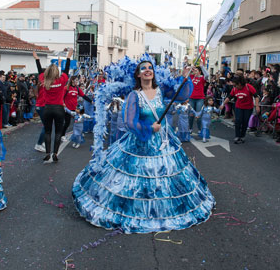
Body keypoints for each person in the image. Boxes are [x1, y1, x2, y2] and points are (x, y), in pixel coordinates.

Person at [72, 60, 215, 233]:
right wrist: (149, 128)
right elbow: (129, 122)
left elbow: (183, 95)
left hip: (164, 143)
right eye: (143, 69)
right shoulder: (134, 95)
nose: (147, 70)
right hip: (140, 143)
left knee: (166, 178)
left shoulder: (161, 91)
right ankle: (139, 212)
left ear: (154, 73)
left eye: (150, 68)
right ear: (138, 74)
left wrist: (185, 78)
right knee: (136, 181)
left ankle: (162, 211)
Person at [39, 48, 73, 163]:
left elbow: (40, 71)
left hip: (47, 108)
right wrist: (68, 57)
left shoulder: (44, 82)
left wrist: (37, 60)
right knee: (58, 132)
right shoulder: (61, 81)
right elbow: (67, 70)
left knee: (48, 131)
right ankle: (55, 153)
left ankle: (47, 152)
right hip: (59, 109)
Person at [224, 75, 260, 144]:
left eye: (236, 85)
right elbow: (229, 97)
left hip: (248, 107)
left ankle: (242, 135)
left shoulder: (248, 87)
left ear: (240, 84)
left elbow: (256, 96)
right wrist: (223, 105)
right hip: (238, 107)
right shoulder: (234, 89)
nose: (235, 87)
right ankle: (237, 136)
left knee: (245, 122)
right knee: (238, 121)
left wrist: (257, 106)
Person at [63, 75, 92, 140]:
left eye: (77, 80)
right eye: (76, 80)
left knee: (78, 121)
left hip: (75, 108)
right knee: (67, 123)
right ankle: (62, 135)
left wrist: (91, 101)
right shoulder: (66, 88)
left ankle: (79, 133)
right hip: (67, 109)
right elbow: (61, 97)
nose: (77, 81)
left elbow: (83, 96)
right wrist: (63, 105)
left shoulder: (77, 88)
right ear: (72, 80)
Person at [188, 66, 206, 135]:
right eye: (194, 70)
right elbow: (185, 74)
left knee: (198, 115)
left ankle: (199, 129)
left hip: (200, 99)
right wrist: (191, 69)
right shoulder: (191, 77)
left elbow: (207, 75)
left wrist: (202, 66)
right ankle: (190, 128)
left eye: (197, 70)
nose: (195, 71)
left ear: (200, 71)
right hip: (191, 98)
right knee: (191, 115)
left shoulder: (202, 78)